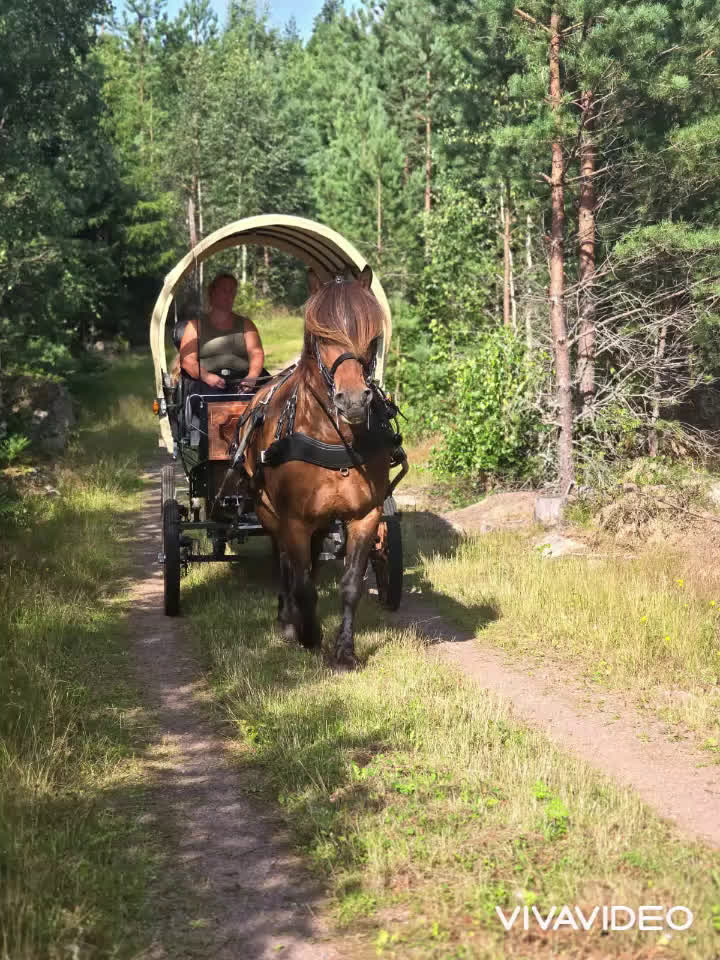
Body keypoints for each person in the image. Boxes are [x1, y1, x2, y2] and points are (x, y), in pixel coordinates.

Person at [178, 272, 265, 394]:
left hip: (243, 380)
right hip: (206, 383)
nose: (229, 295)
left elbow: (256, 352)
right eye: (225, 290)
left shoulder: (246, 324)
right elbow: (187, 360)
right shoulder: (195, 326)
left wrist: (252, 376)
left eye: (232, 291)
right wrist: (206, 376)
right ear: (212, 293)